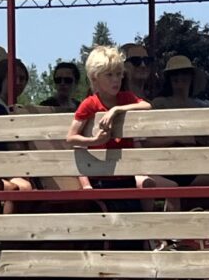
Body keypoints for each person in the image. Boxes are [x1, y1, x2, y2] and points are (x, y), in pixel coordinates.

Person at [67, 44, 172, 190]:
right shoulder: (89, 103)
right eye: (109, 75)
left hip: (126, 173)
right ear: (95, 78)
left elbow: (146, 106)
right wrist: (94, 140)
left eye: (118, 74)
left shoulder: (126, 98)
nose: (115, 80)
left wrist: (116, 109)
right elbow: (71, 137)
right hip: (100, 174)